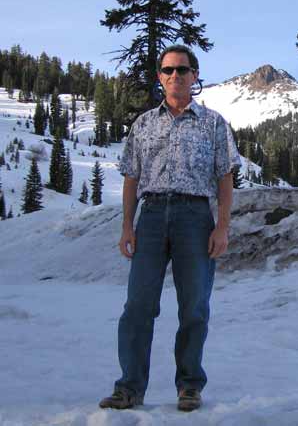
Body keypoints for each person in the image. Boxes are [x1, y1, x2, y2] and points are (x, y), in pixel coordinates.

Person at [99, 44, 241, 412]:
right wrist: (127, 227)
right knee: (137, 306)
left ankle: (189, 385)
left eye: (182, 70)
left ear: (195, 76)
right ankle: (129, 387)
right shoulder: (144, 124)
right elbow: (131, 178)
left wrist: (221, 227)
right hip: (151, 217)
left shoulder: (213, 123)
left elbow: (225, 179)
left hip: (195, 219)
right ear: (160, 77)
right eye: (168, 70)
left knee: (194, 306)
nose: (175, 76)